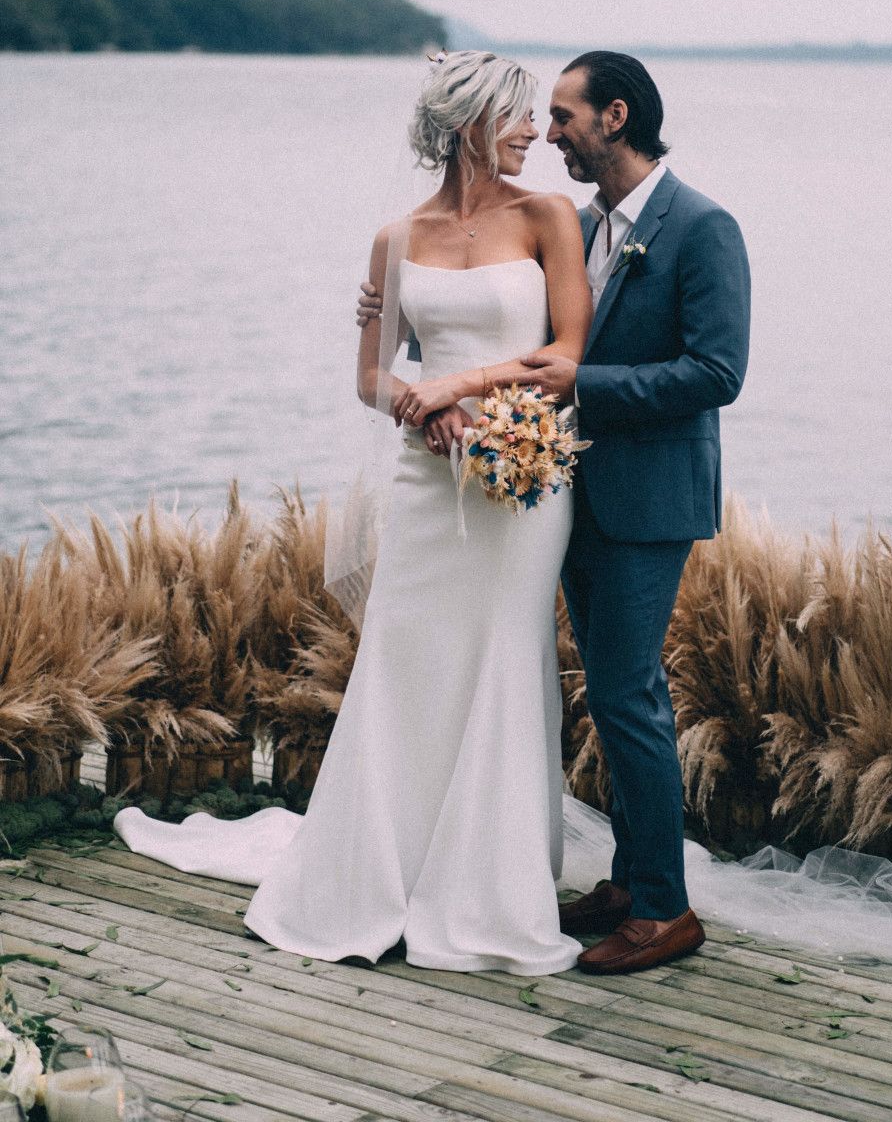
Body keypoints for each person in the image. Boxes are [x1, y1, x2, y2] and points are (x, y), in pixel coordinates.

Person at [116, 50, 592, 975]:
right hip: (426, 484)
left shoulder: (548, 217)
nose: (535, 131)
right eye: (519, 116)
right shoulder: (396, 238)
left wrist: (459, 385)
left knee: (505, 654)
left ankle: (488, 889)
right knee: (408, 663)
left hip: (523, 484)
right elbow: (371, 377)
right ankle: (374, 874)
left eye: (538, 115)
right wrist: (423, 405)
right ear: (469, 125)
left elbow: (566, 355)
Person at [360, 50, 751, 974]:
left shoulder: (702, 228)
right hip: (547, 486)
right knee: (597, 695)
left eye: (565, 115)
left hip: (647, 498)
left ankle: (662, 911)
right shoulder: (568, 223)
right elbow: (496, 319)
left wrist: (586, 382)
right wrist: (393, 318)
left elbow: (716, 374)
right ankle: (626, 879)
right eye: (538, 115)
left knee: (626, 694)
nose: (549, 131)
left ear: (614, 117)